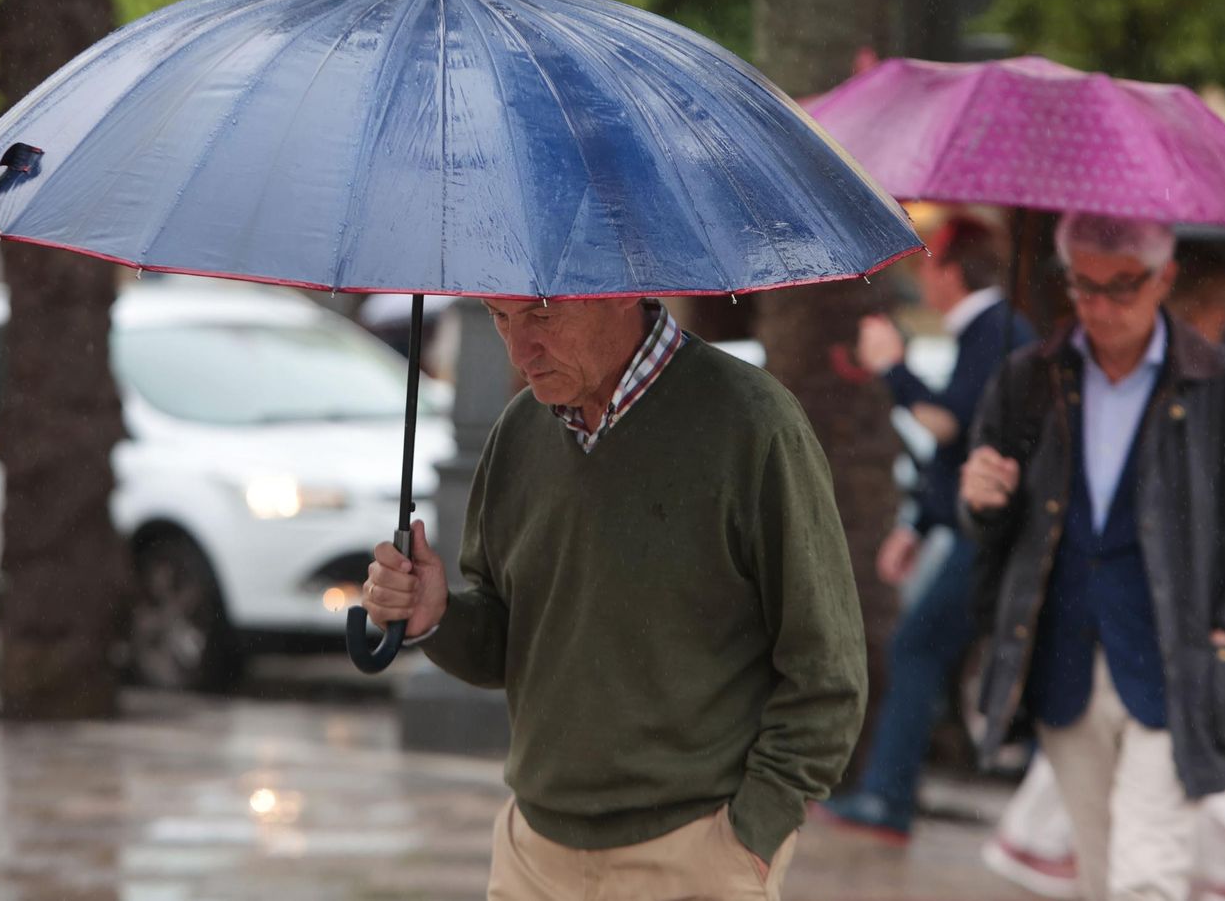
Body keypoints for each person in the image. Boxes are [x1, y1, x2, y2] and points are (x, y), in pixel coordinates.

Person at [360, 296, 867, 900]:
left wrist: (754, 833)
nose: (521, 349)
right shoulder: (519, 432)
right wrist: (434, 617)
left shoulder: (753, 423)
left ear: (620, 288)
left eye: (542, 315)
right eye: (501, 316)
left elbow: (827, 671)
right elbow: (509, 643)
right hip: (534, 855)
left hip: (694, 854)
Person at [960, 212, 1225, 901]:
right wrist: (983, 499)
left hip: (1178, 665)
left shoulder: (1224, 385)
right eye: (1083, 287)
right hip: (1062, 669)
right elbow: (997, 531)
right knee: (1101, 878)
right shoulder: (1027, 380)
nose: (1099, 307)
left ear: (1164, 280)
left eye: (1121, 287)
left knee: (1145, 881)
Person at [815, 215, 1034, 843]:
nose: (921, 277)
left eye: (927, 262)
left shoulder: (994, 330)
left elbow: (943, 426)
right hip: (977, 529)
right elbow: (963, 444)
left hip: (991, 534)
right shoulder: (992, 331)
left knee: (917, 647)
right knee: (932, 648)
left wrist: (891, 367)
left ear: (951, 270)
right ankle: (890, 794)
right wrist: (918, 523)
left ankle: (888, 799)